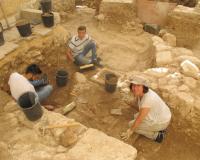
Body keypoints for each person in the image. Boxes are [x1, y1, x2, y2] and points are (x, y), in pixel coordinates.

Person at [121, 76, 171, 143]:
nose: (135, 88)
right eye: (133, 85)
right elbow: (140, 108)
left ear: (143, 87)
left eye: (138, 86)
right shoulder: (143, 93)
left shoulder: (147, 99)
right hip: (162, 115)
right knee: (135, 117)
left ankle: (157, 135)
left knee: (131, 125)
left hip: (161, 121)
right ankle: (156, 128)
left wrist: (130, 131)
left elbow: (139, 119)